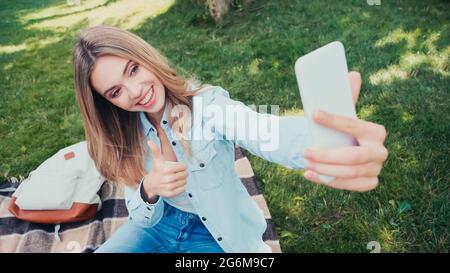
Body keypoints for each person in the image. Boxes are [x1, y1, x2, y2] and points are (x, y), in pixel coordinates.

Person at [72, 25, 388, 253]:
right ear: (106, 102)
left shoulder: (207, 106)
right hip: (158, 228)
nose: (135, 91)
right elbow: (140, 214)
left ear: (145, 57)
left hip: (216, 233)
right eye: (115, 92)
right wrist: (150, 188)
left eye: (133, 70)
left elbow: (264, 132)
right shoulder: (124, 134)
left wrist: (323, 142)